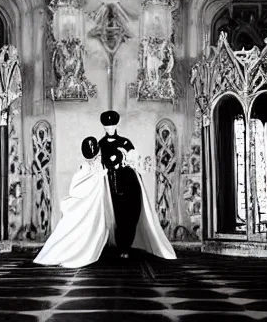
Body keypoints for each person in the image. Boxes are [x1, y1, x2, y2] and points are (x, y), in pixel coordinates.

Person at [99, 110, 176, 260]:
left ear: (116, 125)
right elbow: (99, 163)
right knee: (116, 215)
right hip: (110, 183)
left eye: (112, 125)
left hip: (128, 182)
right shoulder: (101, 144)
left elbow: (135, 161)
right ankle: (117, 245)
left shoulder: (125, 142)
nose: (110, 129)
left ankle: (126, 246)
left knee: (131, 213)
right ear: (103, 127)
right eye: (107, 126)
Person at [33, 136, 115, 268]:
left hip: (93, 203)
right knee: (78, 227)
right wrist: (99, 175)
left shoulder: (97, 164)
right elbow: (77, 188)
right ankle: (67, 253)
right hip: (85, 203)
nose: (94, 152)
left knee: (88, 227)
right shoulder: (85, 166)